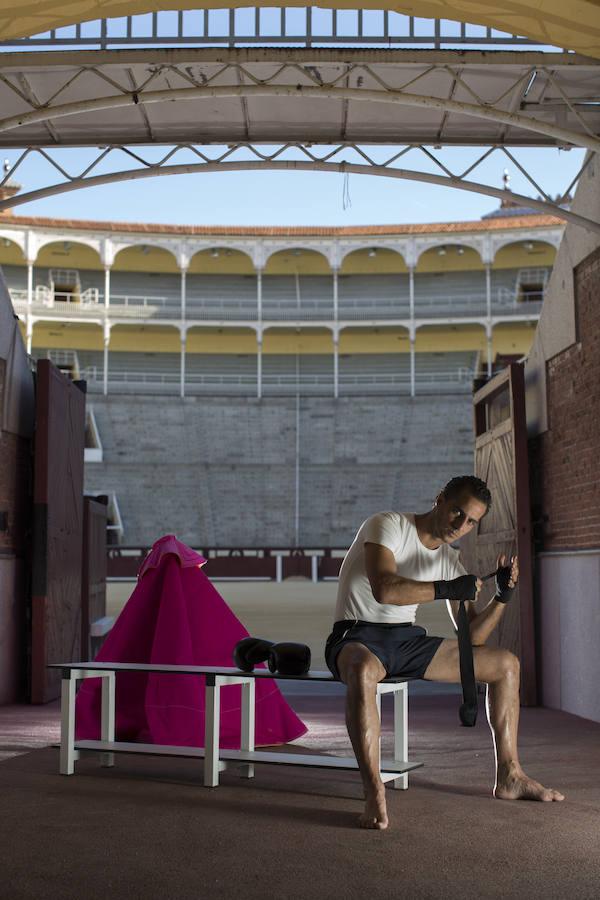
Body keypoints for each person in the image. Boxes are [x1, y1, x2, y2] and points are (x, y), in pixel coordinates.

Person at [324, 475, 565, 830]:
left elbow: (472, 640)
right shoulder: (387, 524)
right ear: (439, 499)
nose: (460, 525)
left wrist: (502, 596)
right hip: (357, 635)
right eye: (457, 512)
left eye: (471, 522)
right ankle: (374, 790)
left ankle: (510, 775)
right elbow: (385, 589)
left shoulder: (450, 561)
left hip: (406, 640)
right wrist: (446, 588)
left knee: (505, 664)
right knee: (362, 671)